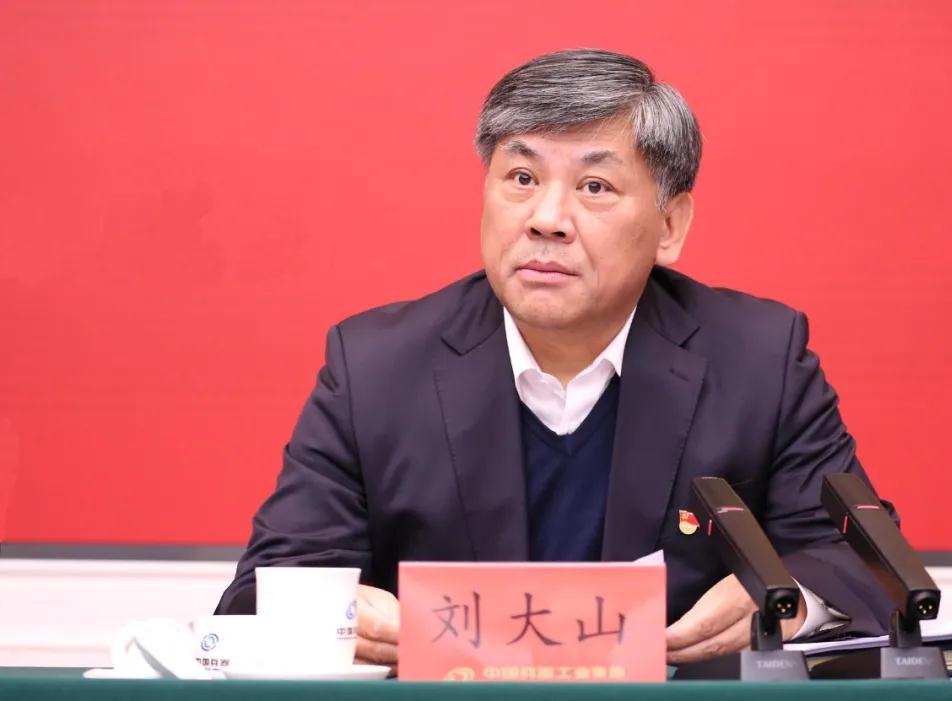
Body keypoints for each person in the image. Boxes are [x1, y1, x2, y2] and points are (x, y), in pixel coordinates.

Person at [216, 48, 898, 666]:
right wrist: (336, 615)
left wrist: (793, 599)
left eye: (594, 187)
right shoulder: (375, 368)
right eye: (521, 177)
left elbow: (863, 562)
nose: (546, 218)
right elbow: (260, 591)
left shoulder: (758, 358)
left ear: (670, 225)